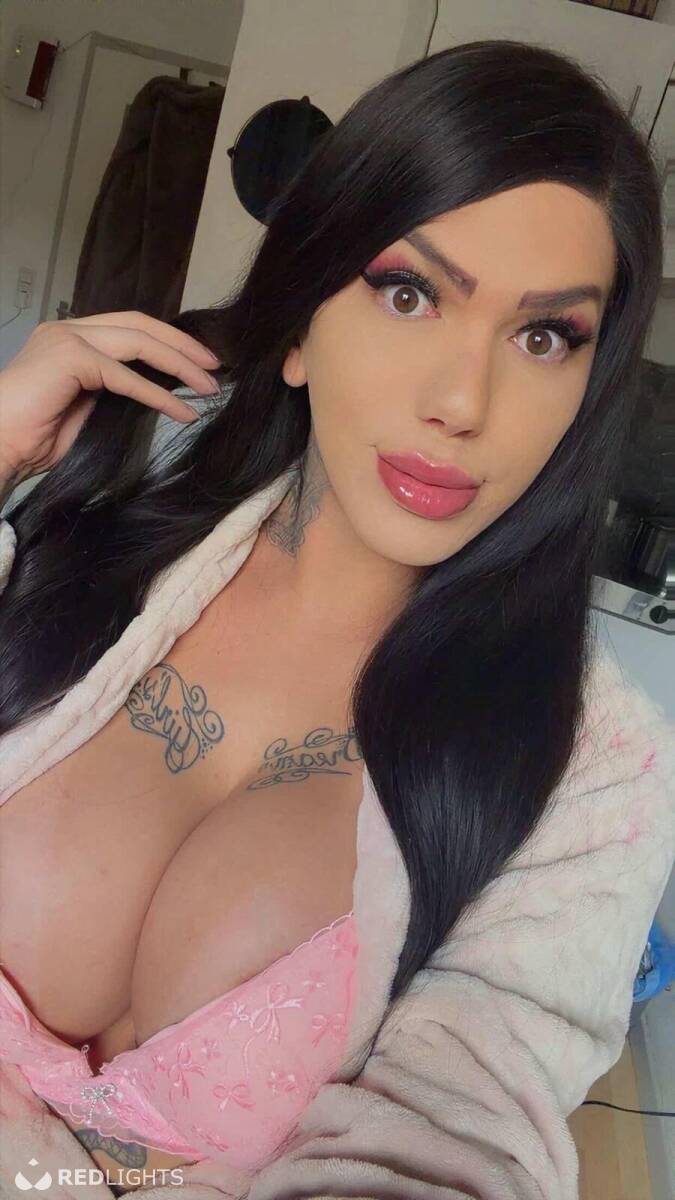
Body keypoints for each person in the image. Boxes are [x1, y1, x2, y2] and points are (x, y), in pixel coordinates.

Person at [0, 38, 673, 1200]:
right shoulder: (96, 535)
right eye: (409, 294)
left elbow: (464, 1141)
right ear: (302, 326)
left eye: (543, 336)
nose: (461, 402)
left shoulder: (596, 773)